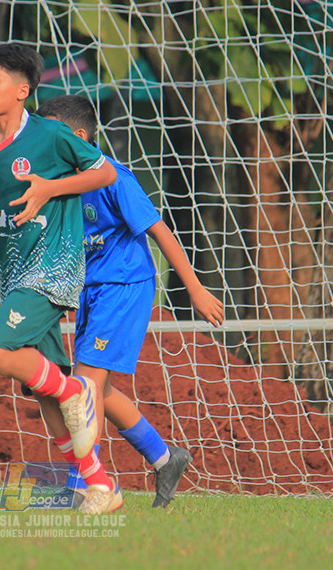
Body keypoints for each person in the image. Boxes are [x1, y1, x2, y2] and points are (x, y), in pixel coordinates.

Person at [0, 43, 123, 514]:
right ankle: (100, 488)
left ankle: (77, 390)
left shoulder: (50, 137)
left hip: (53, 270)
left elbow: (103, 173)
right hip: (17, 277)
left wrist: (50, 187)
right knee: (46, 396)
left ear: (23, 90)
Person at [36, 94, 224, 508]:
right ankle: (165, 458)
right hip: (95, 291)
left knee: (82, 389)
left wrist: (194, 288)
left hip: (125, 288)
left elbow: (160, 232)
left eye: (50, 136)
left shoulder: (115, 178)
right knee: (96, 392)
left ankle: (82, 485)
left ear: (78, 138)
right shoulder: (60, 185)